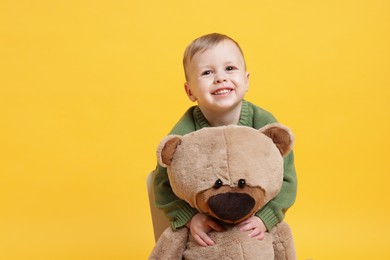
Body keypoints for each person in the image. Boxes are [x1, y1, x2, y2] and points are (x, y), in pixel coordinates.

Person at [153, 32, 297, 247]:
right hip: (208, 223)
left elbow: (286, 177)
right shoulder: (185, 132)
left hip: (252, 221)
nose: (220, 78)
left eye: (230, 68)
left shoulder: (263, 123)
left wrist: (266, 217)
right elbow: (163, 181)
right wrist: (189, 217)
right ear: (190, 90)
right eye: (207, 72)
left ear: (246, 80)